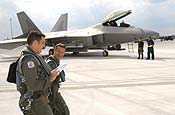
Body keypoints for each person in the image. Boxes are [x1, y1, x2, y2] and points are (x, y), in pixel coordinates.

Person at [17, 31, 59, 115]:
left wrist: (45, 95)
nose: (44, 46)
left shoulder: (35, 57)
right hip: (34, 101)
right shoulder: (29, 61)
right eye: (42, 43)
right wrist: (50, 79)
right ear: (35, 43)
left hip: (38, 98)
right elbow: (32, 85)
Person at [46, 43, 70, 115]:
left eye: (62, 52)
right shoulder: (51, 63)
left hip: (54, 92)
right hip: (51, 94)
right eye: (58, 51)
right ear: (54, 51)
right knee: (63, 112)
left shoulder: (56, 62)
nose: (60, 54)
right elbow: (48, 80)